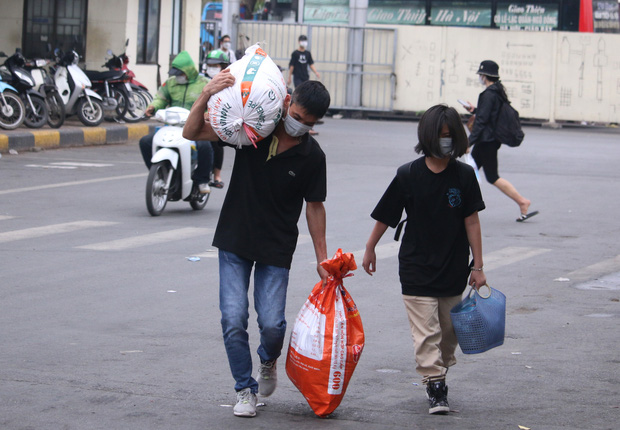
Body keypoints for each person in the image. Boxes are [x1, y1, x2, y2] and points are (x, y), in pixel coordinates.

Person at [183, 74, 331, 418]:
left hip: (276, 248)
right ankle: (244, 390)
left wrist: (322, 259)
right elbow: (192, 132)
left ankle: (268, 360)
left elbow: (315, 206)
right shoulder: (253, 129)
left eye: (308, 123)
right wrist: (206, 94)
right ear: (287, 102)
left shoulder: (312, 156)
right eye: (297, 116)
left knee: (273, 325)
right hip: (235, 239)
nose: (299, 125)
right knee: (233, 318)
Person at [362, 105, 487, 415]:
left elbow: (472, 220)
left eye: (450, 136)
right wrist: (369, 248)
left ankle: (439, 369)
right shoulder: (408, 174)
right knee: (426, 332)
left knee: (448, 332)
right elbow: (386, 215)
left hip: (453, 265)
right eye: (441, 136)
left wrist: (478, 266)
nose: (446, 141)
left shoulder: (465, 175)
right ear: (428, 137)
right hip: (416, 265)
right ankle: (435, 385)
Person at [465, 60, 538, 222]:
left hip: (487, 141)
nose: (480, 78)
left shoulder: (488, 94)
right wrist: (474, 110)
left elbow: (482, 121)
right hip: (490, 140)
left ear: (484, 76)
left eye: (480, 75)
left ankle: (522, 201)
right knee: (467, 172)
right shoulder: (497, 91)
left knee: (490, 176)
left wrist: (468, 143)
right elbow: (489, 115)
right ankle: (460, 207)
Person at [140, 51, 213, 193]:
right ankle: (159, 173)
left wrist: (206, 116)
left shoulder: (204, 84)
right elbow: (161, 98)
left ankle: (202, 181)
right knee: (145, 142)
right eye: (176, 73)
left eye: (180, 73)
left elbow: (213, 103)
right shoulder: (170, 83)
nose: (178, 76)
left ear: (188, 71)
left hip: (195, 126)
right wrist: (153, 107)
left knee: (205, 147)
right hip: (172, 126)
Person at [203, 50, 231, 188]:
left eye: (216, 65)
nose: (212, 68)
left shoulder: (229, 83)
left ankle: (217, 175)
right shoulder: (201, 80)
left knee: (216, 142)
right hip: (200, 118)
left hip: (218, 120)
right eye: (210, 65)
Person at [288, 35, 321, 135]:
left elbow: (310, 64)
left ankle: (306, 122)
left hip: (305, 77)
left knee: (306, 98)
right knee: (300, 98)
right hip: (297, 77)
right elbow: (292, 66)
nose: (304, 43)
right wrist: (289, 77)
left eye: (305, 41)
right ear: (299, 42)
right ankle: (299, 120)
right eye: (302, 41)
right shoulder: (295, 53)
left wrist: (316, 72)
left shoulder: (307, 53)